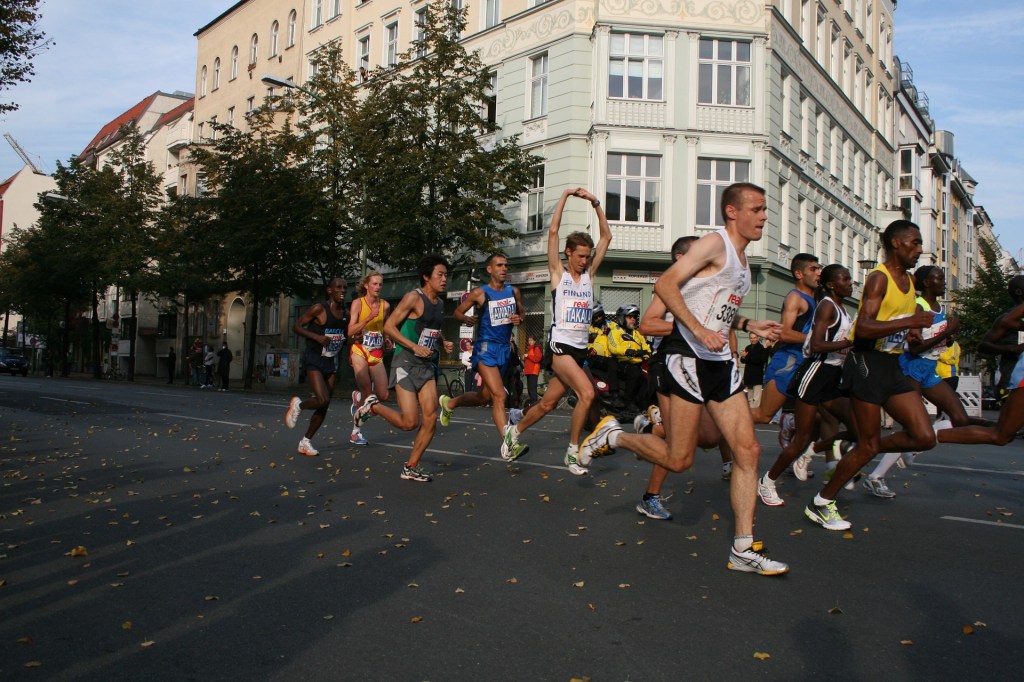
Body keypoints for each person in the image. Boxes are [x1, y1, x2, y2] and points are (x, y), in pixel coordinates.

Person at [577, 182, 789, 576]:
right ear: (732, 212)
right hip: (688, 359)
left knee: (749, 452)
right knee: (679, 458)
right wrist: (696, 329)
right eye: (757, 209)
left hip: (719, 362)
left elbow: (717, 311)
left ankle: (743, 548)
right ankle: (614, 436)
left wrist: (747, 323)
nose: (764, 216)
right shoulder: (713, 244)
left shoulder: (742, 261)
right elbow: (664, 285)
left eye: (764, 210)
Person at [803, 220, 939, 530]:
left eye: (920, 244)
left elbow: (901, 324)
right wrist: (909, 323)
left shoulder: (908, 283)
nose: (920, 249)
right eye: (914, 243)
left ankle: (864, 446)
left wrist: (914, 334)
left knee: (924, 436)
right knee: (868, 445)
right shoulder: (879, 278)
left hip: (892, 365)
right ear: (896, 243)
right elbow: (862, 328)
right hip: (866, 364)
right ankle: (822, 503)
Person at [500, 188, 611, 475]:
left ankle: (514, 431)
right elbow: (552, 232)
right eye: (580, 256)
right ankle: (573, 452)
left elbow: (607, 237)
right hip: (560, 347)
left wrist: (595, 203)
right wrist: (565, 196)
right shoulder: (558, 274)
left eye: (588, 256)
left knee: (547, 404)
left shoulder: (589, 276)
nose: (584, 261)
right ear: (569, 253)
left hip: (578, 350)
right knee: (587, 394)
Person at [634, 235, 735, 521]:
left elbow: (721, 326)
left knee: (709, 436)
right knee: (680, 445)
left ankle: (653, 429)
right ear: (681, 258)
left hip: (700, 364)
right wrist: (691, 328)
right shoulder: (670, 286)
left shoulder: (704, 289)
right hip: (667, 365)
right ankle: (649, 497)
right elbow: (647, 325)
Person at [758, 264, 856, 506]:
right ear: (832, 284)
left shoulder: (843, 310)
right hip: (815, 374)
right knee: (800, 438)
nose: (850, 283)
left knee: (857, 428)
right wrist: (848, 343)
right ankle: (767, 481)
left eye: (850, 279)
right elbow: (816, 346)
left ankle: (812, 452)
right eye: (845, 279)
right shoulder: (826, 306)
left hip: (833, 376)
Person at [353, 254, 454, 482]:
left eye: (446, 275)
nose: (444, 279)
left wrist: (443, 341)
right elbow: (389, 327)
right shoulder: (413, 298)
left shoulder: (440, 304)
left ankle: (411, 467)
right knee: (410, 423)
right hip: (406, 364)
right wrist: (413, 347)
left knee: (430, 418)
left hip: (426, 367)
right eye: (440, 274)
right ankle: (374, 407)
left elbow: (431, 330)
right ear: (426, 277)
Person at [438, 253, 527, 460]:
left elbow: (523, 314)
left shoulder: (514, 292)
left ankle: (450, 403)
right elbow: (458, 312)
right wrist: (467, 319)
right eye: (499, 265)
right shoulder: (479, 293)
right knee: (500, 396)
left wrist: (519, 318)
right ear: (490, 269)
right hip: (486, 349)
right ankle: (508, 444)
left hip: (505, 350)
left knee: (484, 397)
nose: (504, 268)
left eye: (506, 265)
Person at [750, 254, 822, 447]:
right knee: (764, 414)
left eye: (819, 269)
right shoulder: (795, 298)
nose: (818, 273)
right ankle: (723, 421)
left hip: (807, 363)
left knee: (820, 415)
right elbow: (784, 334)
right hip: (788, 363)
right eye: (813, 269)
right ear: (799, 273)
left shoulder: (816, 299)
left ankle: (792, 430)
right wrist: (815, 340)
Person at [284, 277, 349, 457]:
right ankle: (298, 405)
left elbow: (342, 338)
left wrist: (352, 341)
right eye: (338, 287)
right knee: (321, 399)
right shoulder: (319, 309)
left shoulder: (346, 313)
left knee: (325, 404)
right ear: (329, 290)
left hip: (330, 361)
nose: (342, 290)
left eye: (345, 287)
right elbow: (296, 326)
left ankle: (305, 442)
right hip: (313, 358)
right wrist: (316, 337)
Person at [348, 271, 392, 446]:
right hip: (359, 350)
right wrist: (369, 317)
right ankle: (355, 433)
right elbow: (350, 331)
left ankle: (357, 398)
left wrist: (387, 338)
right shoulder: (358, 304)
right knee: (369, 394)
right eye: (374, 284)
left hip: (376, 353)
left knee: (383, 395)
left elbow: (386, 326)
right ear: (366, 285)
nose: (378, 287)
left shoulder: (385, 305)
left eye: (380, 284)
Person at [608, 304, 652, 411]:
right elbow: (613, 347)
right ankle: (628, 401)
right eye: (630, 317)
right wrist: (627, 351)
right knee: (634, 372)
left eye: (635, 317)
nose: (633, 320)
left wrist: (647, 353)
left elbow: (646, 348)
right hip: (622, 363)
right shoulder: (615, 332)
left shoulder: (638, 334)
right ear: (622, 318)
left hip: (638, 362)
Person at [741, 333, 769, 408]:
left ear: (758, 338)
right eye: (751, 338)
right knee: (750, 397)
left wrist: (747, 357)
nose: (753, 339)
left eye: (754, 338)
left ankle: (755, 413)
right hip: (748, 374)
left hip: (757, 375)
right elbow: (743, 361)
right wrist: (743, 357)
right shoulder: (748, 347)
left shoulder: (761, 348)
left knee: (756, 397)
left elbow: (760, 360)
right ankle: (751, 412)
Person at [523, 335, 542, 405]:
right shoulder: (529, 349)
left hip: (533, 371)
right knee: (530, 388)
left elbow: (538, 358)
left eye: (531, 340)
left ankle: (534, 403)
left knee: (532, 388)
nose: (530, 342)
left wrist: (528, 356)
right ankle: (532, 403)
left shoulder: (536, 348)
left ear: (534, 341)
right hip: (529, 371)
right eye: (529, 340)